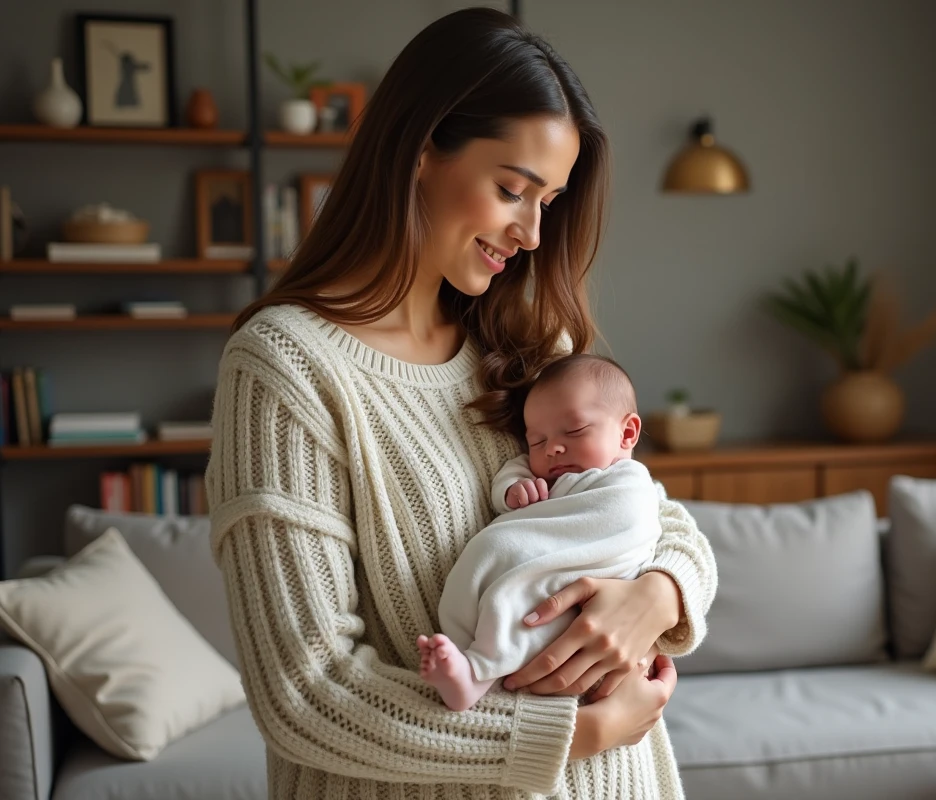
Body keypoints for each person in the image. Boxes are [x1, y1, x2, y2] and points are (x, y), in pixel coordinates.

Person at [204, 8, 717, 800]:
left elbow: (648, 509)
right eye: (512, 189)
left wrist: (656, 597)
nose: (534, 232)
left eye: (548, 199)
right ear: (418, 152)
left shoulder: (523, 343)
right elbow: (306, 692)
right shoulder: (286, 367)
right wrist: (576, 734)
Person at [420, 354, 662, 712]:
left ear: (627, 433)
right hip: (548, 572)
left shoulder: (630, 482)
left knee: (533, 603)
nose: (552, 449)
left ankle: (478, 671)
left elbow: (654, 523)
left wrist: (663, 591)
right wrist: (513, 489)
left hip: (594, 590)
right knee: (496, 550)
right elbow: (511, 471)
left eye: (575, 431)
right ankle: (470, 665)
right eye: (536, 441)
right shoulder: (543, 475)